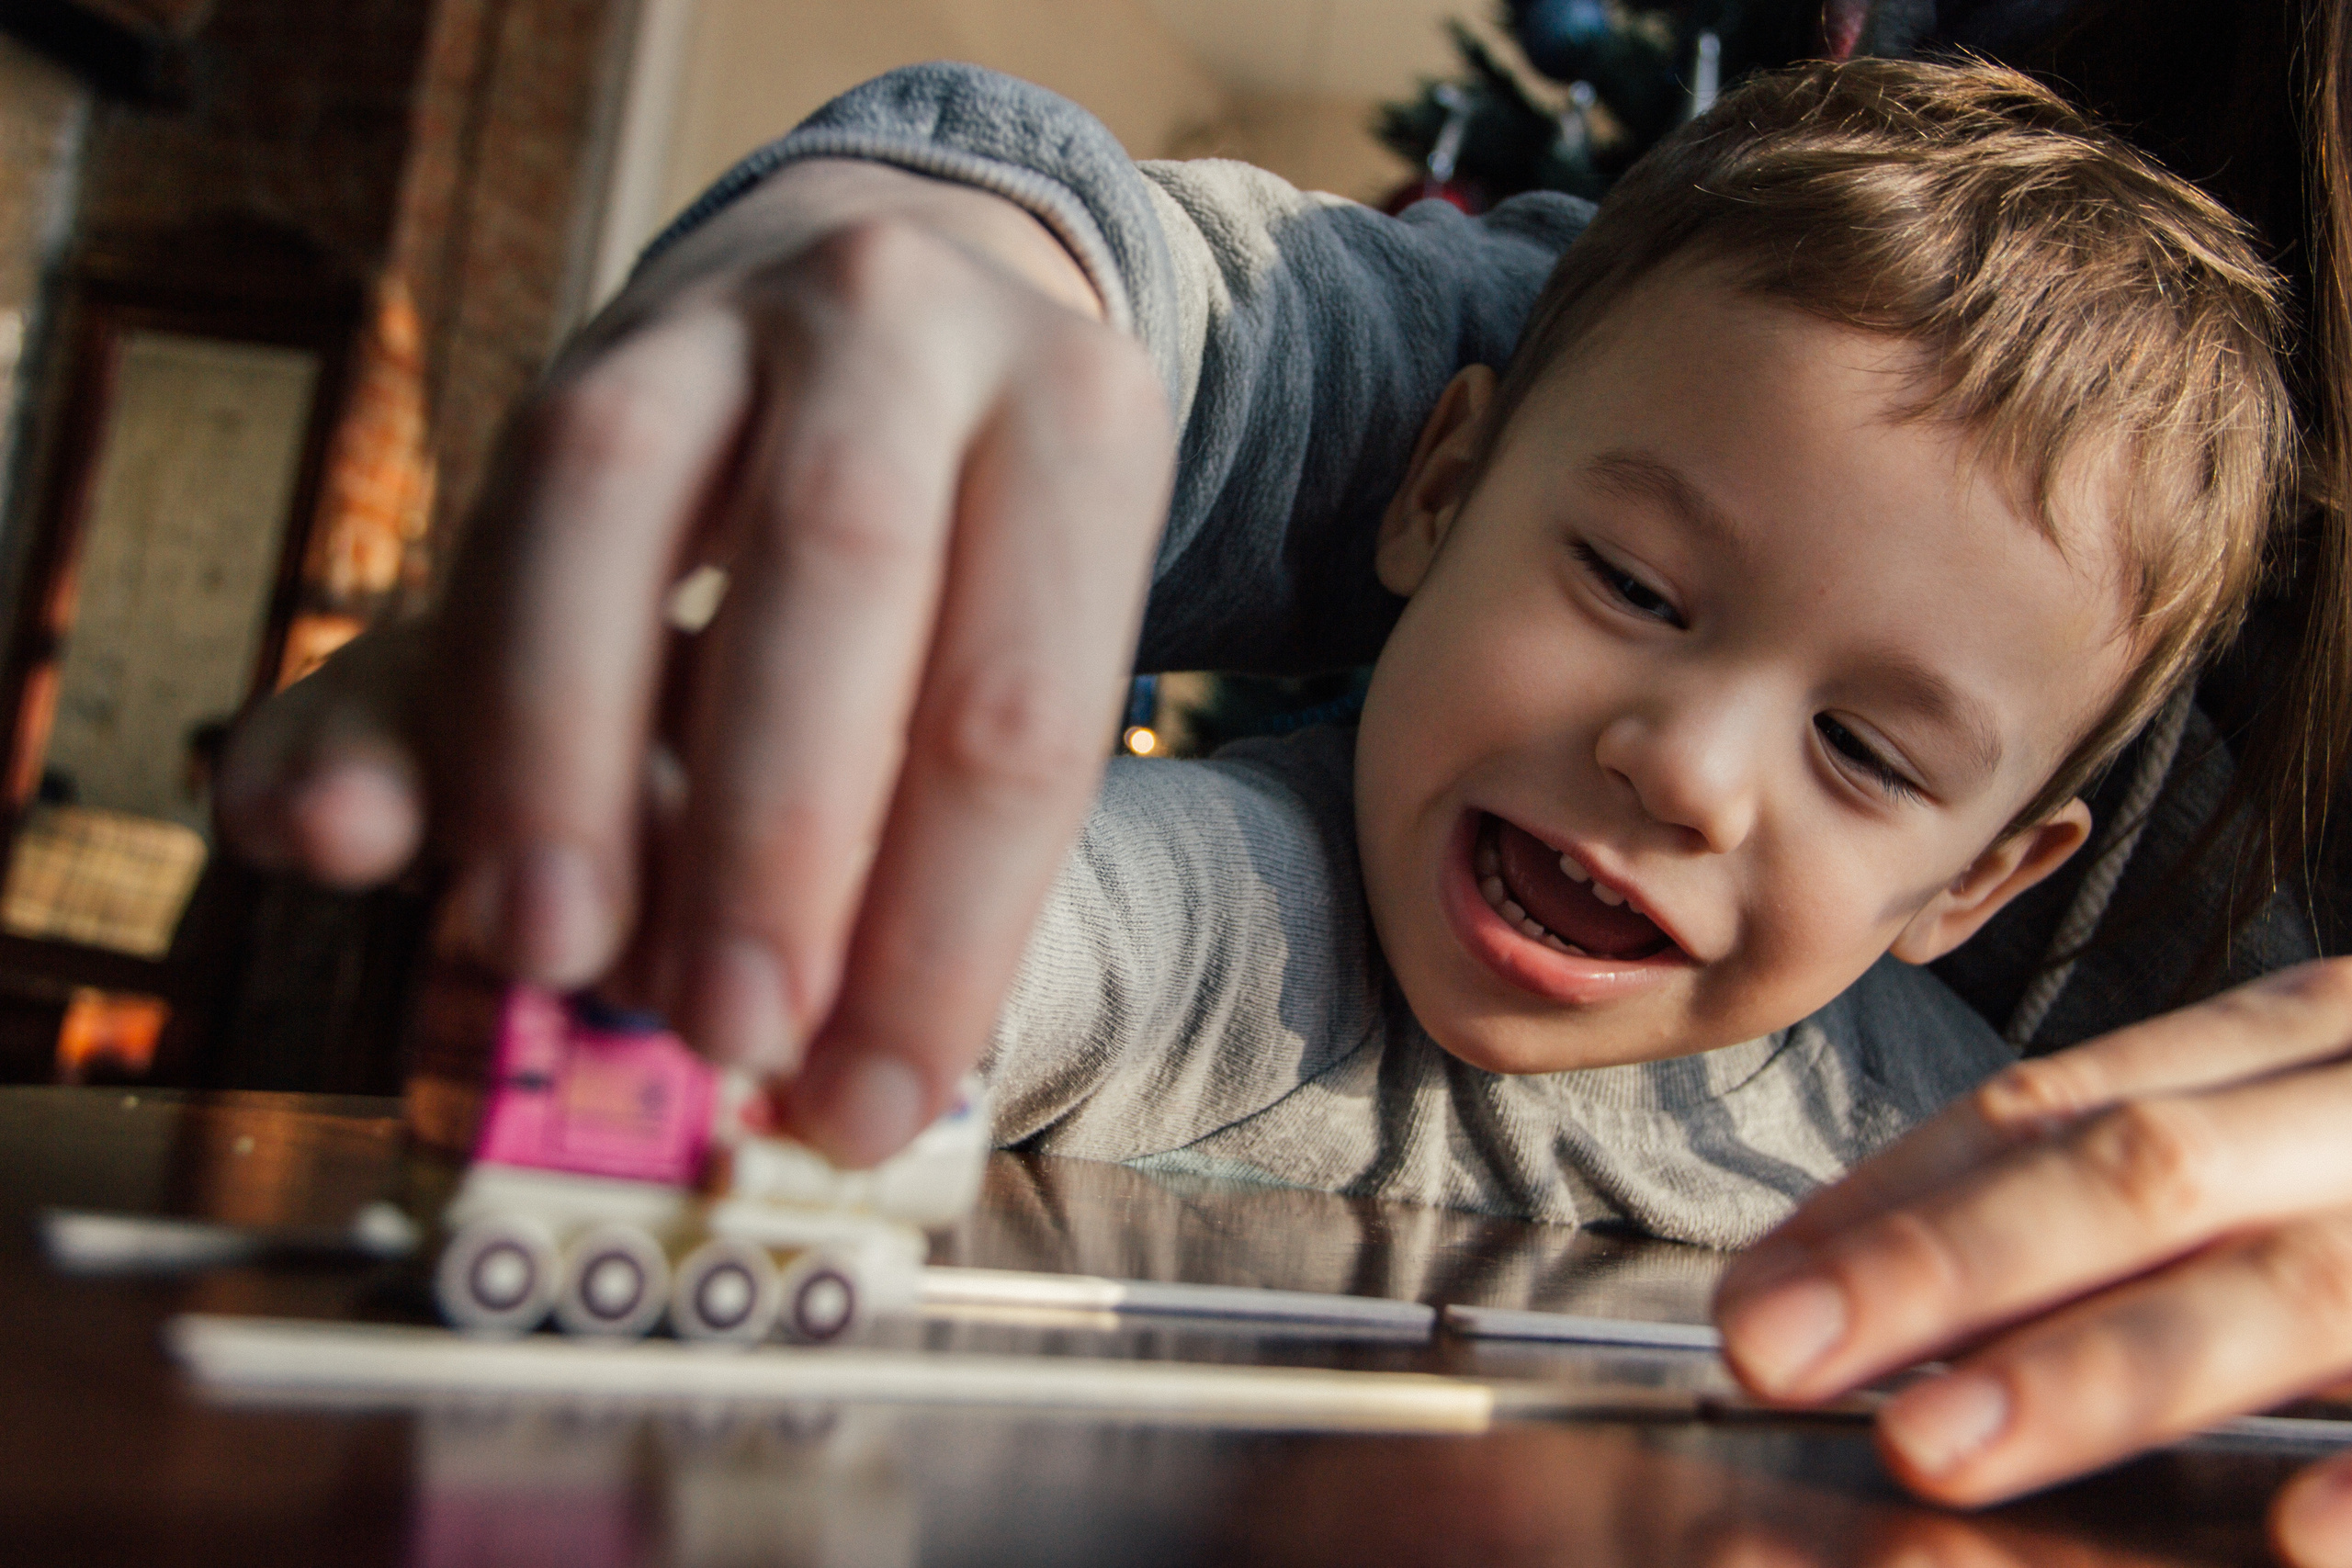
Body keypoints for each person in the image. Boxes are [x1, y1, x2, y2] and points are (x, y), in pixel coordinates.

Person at [216, 48, 2352, 1568]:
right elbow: (1012, 933)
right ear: (1437, 489)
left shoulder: (1936, 1162)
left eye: (1866, 756)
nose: (1682, 766)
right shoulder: (1244, 899)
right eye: (1626, 584)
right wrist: (731, 897)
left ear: (1981, 877)